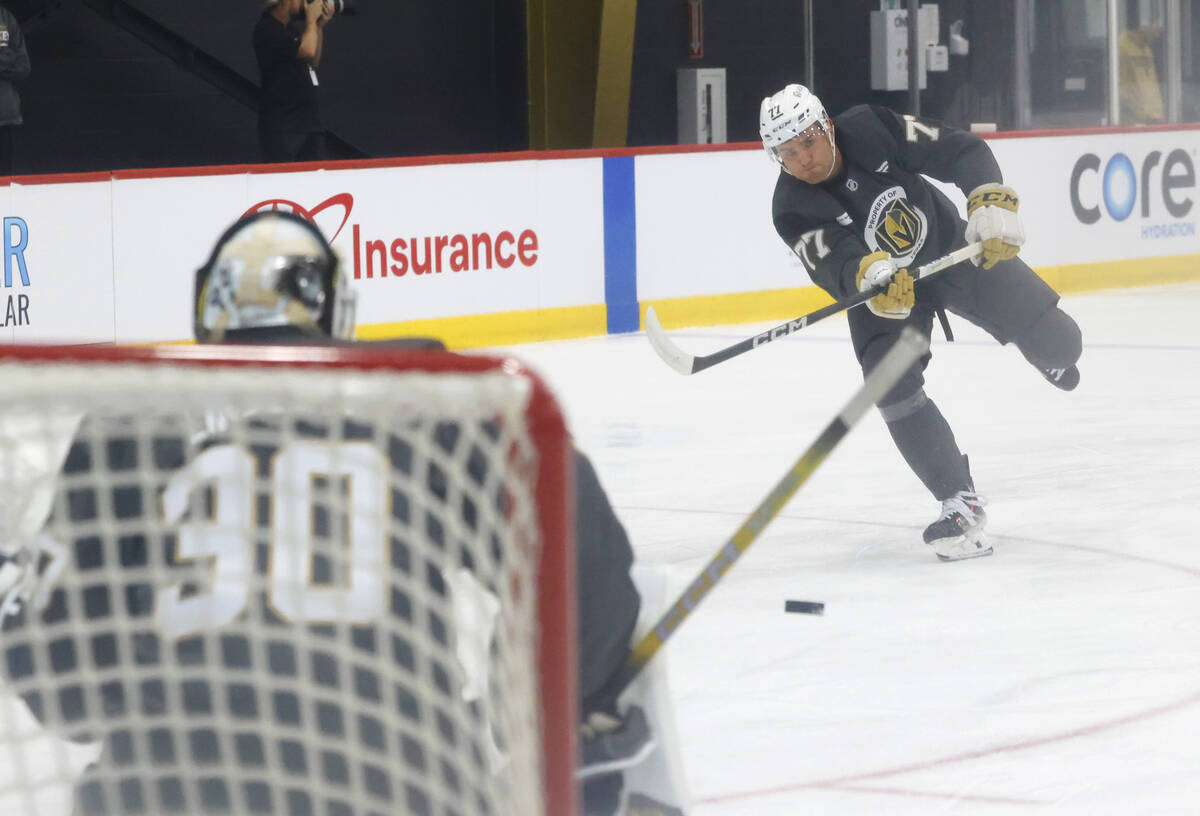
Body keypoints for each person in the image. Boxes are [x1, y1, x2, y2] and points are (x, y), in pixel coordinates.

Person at [0, 211, 682, 815]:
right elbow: (585, 571)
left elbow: (67, 698)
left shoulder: (130, 420)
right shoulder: (433, 394)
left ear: (210, 310)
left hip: (172, 792)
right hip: (412, 785)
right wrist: (518, 716)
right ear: (334, 310)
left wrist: (12, 590)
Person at [760, 84, 1083, 562]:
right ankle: (959, 500)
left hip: (952, 249)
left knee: (1065, 345)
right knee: (888, 382)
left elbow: (958, 149)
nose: (803, 159)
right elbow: (837, 261)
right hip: (886, 294)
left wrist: (987, 199)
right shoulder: (791, 207)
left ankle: (1044, 352)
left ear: (827, 127)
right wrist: (871, 276)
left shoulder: (870, 128)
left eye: (808, 141)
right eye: (788, 152)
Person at [254, 0, 333, 162]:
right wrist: (310, 22)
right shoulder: (267, 29)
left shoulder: (291, 30)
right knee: (284, 182)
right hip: (284, 126)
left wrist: (318, 26)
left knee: (315, 180)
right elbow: (307, 51)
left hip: (308, 122)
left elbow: (313, 60)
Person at [0, 3, 30, 175]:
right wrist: (6, 57)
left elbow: (24, 67)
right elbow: (13, 58)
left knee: (4, 188)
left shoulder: (6, 17)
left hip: (5, 118)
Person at [1118, 25, 1165, 125]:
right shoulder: (1121, 47)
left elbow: (1150, 84)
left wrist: (1157, 113)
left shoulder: (1146, 49)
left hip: (1151, 118)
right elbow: (1124, 86)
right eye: (1154, 28)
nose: (1157, 35)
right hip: (1134, 120)